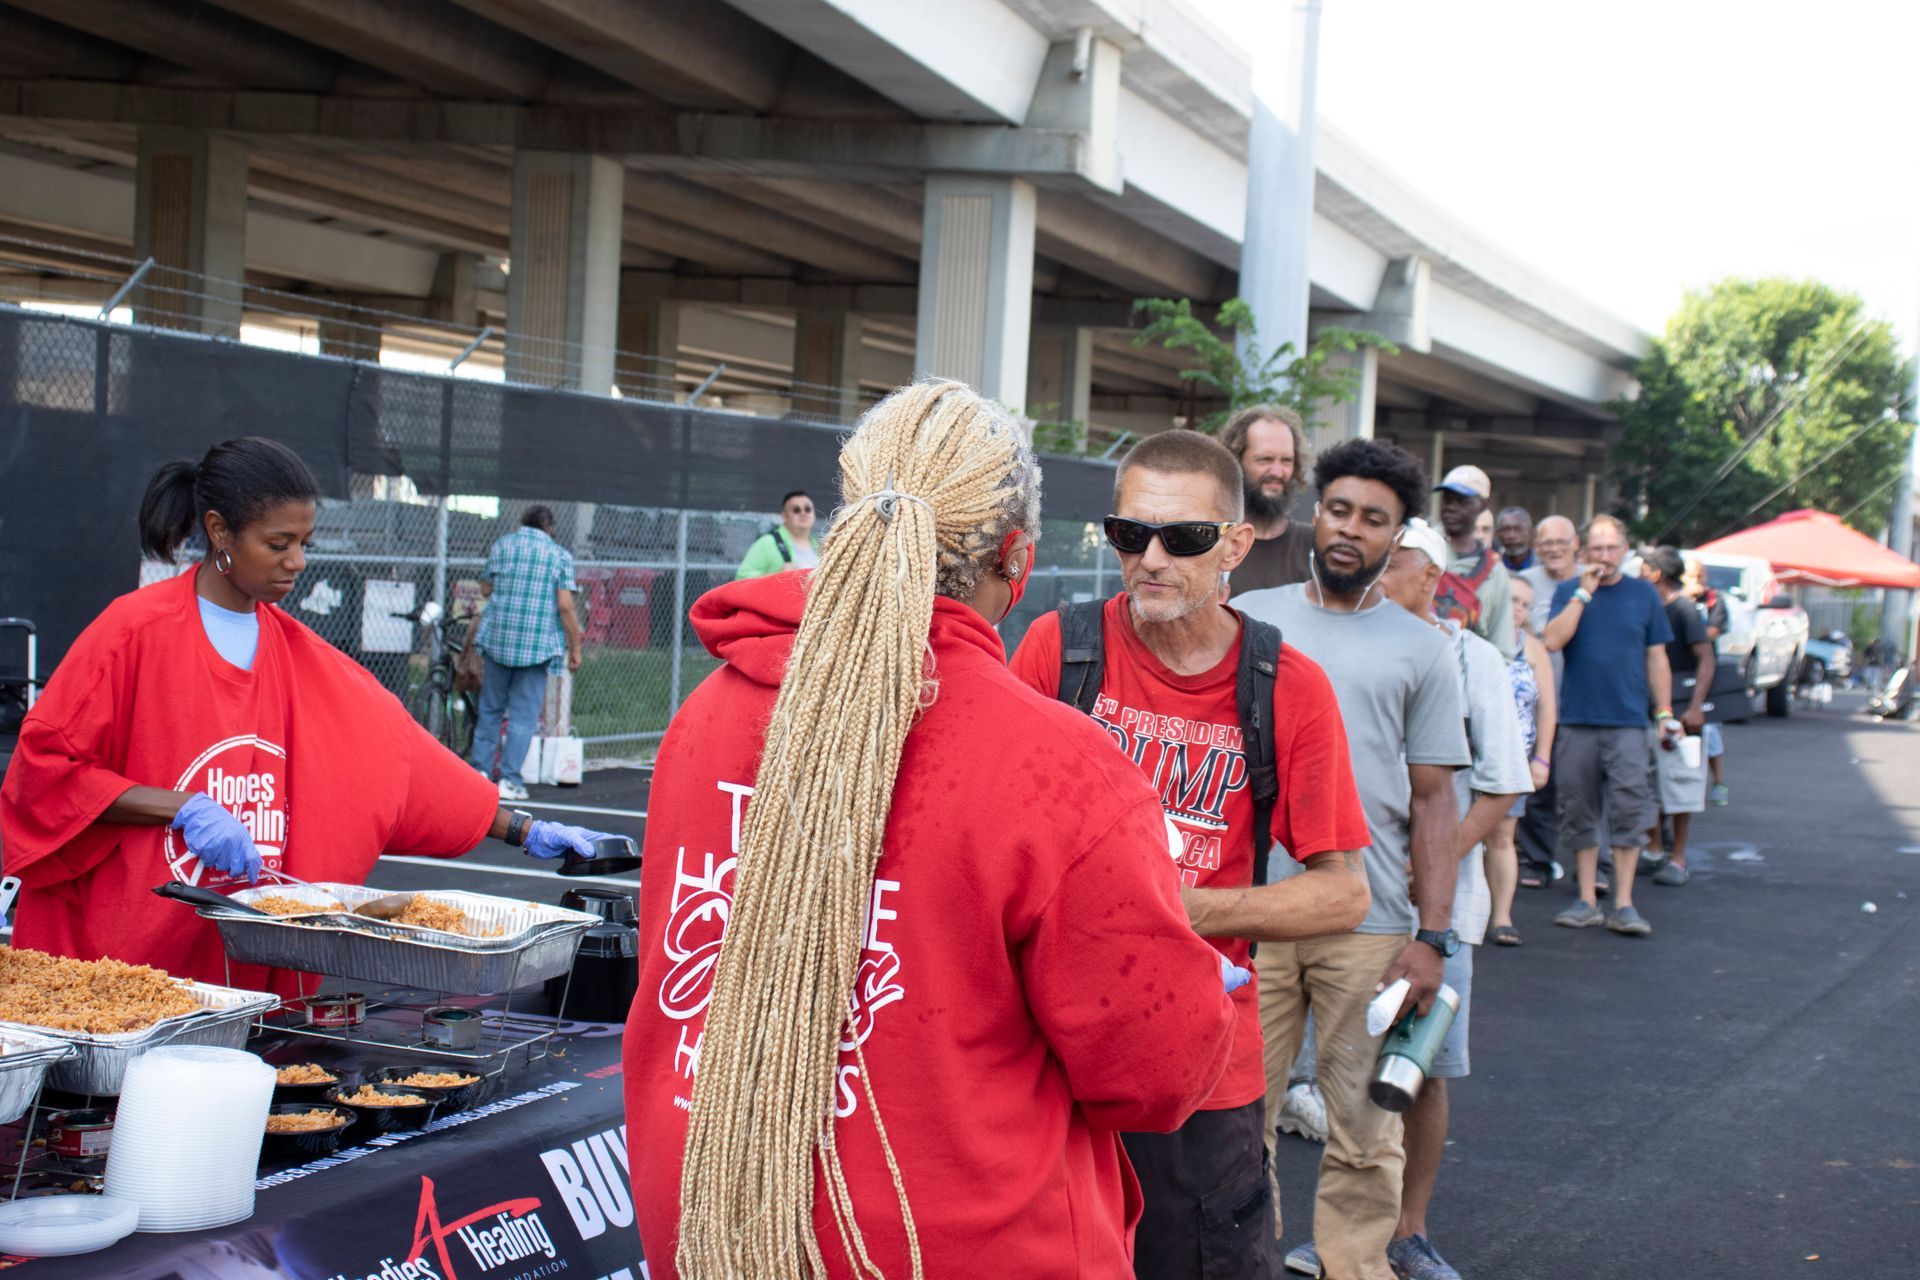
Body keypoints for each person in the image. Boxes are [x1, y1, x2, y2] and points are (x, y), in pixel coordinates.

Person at [621, 382, 1242, 1279]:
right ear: (1018, 559)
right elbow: (1153, 1073)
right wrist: (1203, 988)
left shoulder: (707, 712)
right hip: (956, 1245)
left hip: (712, 1226)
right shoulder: (1060, 769)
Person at [0, 438, 619, 992]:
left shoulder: (300, 653)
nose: (297, 561)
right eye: (278, 544)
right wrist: (181, 806)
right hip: (129, 967)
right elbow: (47, 773)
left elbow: (402, 761)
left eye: (304, 543)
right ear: (219, 531)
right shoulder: (132, 633)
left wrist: (523, 829)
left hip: (244, 972)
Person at [1011, 429, 1373, 1280]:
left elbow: (1343, 895)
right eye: (1131, 534)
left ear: (1237, 547)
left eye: (1186, 538)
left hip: (1200, 1074)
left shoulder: (1286, 686)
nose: (1152, 559)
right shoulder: (1058, 652)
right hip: (1048, 1056)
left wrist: (1177, 909)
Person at [1236, 438, 1468, 1280]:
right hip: (1249, 914)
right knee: (1231, 1124)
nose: (1350, 531)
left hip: (1369, 927)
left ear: (1397, 536)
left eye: (1374, 520)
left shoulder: (1423, 649)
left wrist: (1432, 938)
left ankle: (1357, 1269)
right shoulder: (1248, 616)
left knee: (1367, 1135)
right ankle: (1243, 1264)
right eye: (1339, 510)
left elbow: (1438, 799)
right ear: (1315, 511)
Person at [1375, 518, 1530, 1280]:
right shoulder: (1350, 648)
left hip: (1444, 914)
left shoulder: (1476, 662)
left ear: (1431, 577)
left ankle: (1409, 1231)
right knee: (1344, 1068)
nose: (1376, 574)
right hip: (1354, 901)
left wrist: (1432, 861)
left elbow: (1502, 784)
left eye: (1392, 564)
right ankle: (1348, 1230)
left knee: (1422, 1069)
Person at [1543, 514, 1677, 937]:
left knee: (1629, 810)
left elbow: (1657, 657)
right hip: (1578, 721)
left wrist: (1665, 711)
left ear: (1625, 550)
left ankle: (1624, 903)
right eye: (1596, 549)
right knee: (1578, 810)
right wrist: (1583, 593)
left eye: (1611, 548)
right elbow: (1552, 640)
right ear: (1583, 553)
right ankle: (1586, 899)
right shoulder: (1570, 591)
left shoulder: (1644, 596)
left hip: (1628, 723)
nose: (1603, 556)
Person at [469, 506, 581, 802]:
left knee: (490, 709)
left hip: (498, 639)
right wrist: (576, 644)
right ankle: (509, 780)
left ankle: (479, 772)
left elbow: (485, 587)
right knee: (523, 715)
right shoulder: (558, 556)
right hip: (537, 645)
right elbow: (565, 605)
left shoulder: (502, 546)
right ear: (550, 528)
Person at [1486, 572, 1556, 946]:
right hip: (1470, 755)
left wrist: (1541, 758)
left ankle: (1501, 917)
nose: (1519, 609)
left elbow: (1547, 709)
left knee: (1502, 836)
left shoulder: (1532, 648)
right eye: (1513, 600)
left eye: (1526, 604)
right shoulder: (1474, 638)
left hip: (1513, 758)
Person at [1512, 514, 1580, 888]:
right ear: (1537, 549)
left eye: (1560, 542)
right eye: (1546, 543)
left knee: (1582, 786)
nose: (1553, 549)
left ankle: (1594, 865)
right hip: (1538, 698)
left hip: (1582, 696)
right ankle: (1538, 860)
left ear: (1575, 545)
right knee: (1540, 784)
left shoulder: (1590, 579)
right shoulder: (1526, 585)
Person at [1645, 547, 1713, 885]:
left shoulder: (1683, 609)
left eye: (1644, 567)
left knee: (1682, 784)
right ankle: (1654, 846)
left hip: (1682, 712)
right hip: (1648, 710)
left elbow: (1706, 657)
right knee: (1651, 782)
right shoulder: (1648, 605)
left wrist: (1696, 706)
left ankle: (1678, 857)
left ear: (1656, 574)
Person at [1222, 404, 1317, 592]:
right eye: (1265, 459)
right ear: (1235, 461)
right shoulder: (1214, 543)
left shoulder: (1314, 548)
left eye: (1286, 461)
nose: (1277, 472)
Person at [1431, 466, 1516, 660]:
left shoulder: (1494, 571)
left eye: (1462, 501)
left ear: (1482, 506)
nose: (1452, 507)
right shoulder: (1422, 549)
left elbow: (1502, 648)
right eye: (1448, 499)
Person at [1685, 559, 1732, 806]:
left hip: (1706, 672)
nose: (1697, 581)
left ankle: (1718, 782)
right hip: (1679, 673)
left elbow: (1712, 632)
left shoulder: (1714, 601)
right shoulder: (1676, 600)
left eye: (1700, 576)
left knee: (1711, 729)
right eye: (1692, 576)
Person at [733, 489, 818, 578]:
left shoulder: (819, 545)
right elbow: (741, 577)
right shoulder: (767, 542)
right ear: (784, 516)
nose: (803, 513)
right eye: (796, 510)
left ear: (814, 514)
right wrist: (777, 576)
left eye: (808, 509)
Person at [1495, 506, 1536, 573]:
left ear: (1531, 533)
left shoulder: (1544, 565)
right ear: (1497, 534)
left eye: (1518, 529)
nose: (1512, 535)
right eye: (1506, 529)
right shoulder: (1491, 567)